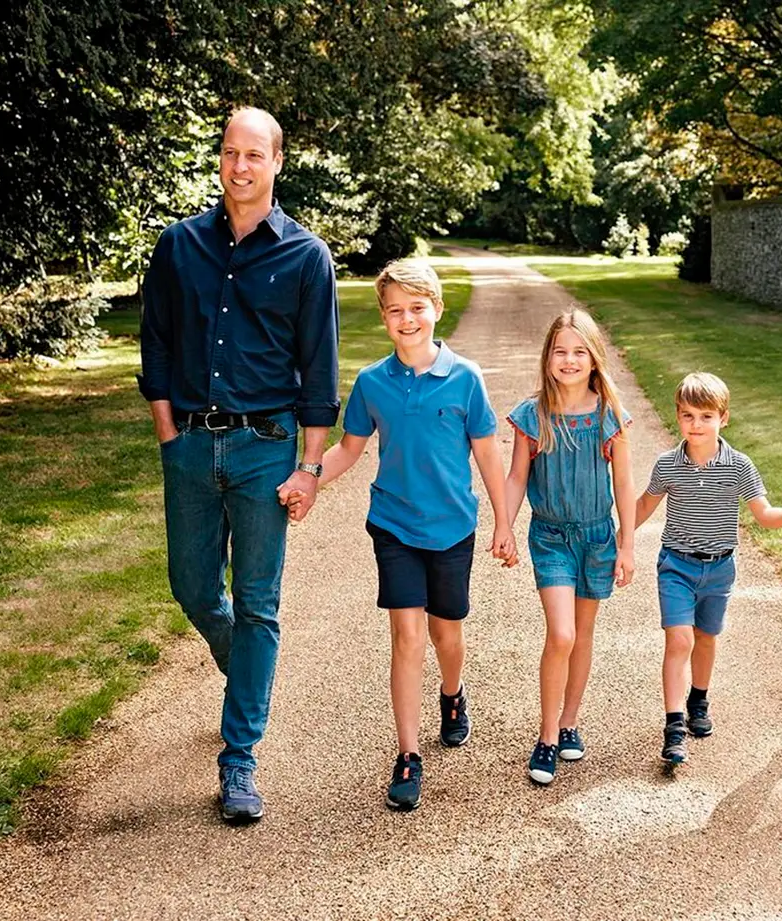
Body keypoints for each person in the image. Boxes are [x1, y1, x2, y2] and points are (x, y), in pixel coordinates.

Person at [138, 107, 339, 823]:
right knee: (192, 587)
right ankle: (243, 671)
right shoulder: (179, 246)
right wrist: (169, 435)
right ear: (220, 160)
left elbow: (319, 373)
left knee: (258, 602)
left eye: (255, 154)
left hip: (264, 450)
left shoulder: (308, 257)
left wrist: (309, 467)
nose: (240, 166)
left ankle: (240, 760)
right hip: (190, 444)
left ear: (278, 163)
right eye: (230, 153)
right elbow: (154, 346)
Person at [294, 259, 515, 811]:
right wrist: (310, 476)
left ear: (437, 310)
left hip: (452, 527)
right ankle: (409, 755)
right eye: (396, 310)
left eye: (418, 308)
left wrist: (504, 522)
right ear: (384, 318)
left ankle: (452, 693)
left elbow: (488, 452)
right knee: (407, 638)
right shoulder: (372, 383)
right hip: (393, 525)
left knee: (447, 637)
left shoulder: (466, 378)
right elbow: (350, 448)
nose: (407, 319)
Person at [632, 373, 782, 766]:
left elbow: (763, 514)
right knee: (679, 641)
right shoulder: (667, 465)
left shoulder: (739, 467)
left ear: (723, 419)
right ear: (677, 417)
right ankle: (674, 726)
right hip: (676, 565)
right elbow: (644, 505)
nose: (697, 425)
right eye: (688, 416)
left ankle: (698, 698)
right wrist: (619, 537)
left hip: (719, 570)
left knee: (706, 638)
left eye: (706, 416)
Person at [504, 310, 636, 786]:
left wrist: (627, 544)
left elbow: (623, 481)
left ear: (594, 359)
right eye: (560, 350)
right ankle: (546, 737)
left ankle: (570, 720)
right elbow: (517, 475)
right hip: (552, 536)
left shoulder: (609, 416)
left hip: (598, 537)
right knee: (560, 635)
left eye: (579, 351)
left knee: (582, 634)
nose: (569, 359)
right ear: (547, 357)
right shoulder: (532, 415)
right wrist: (505, 524)